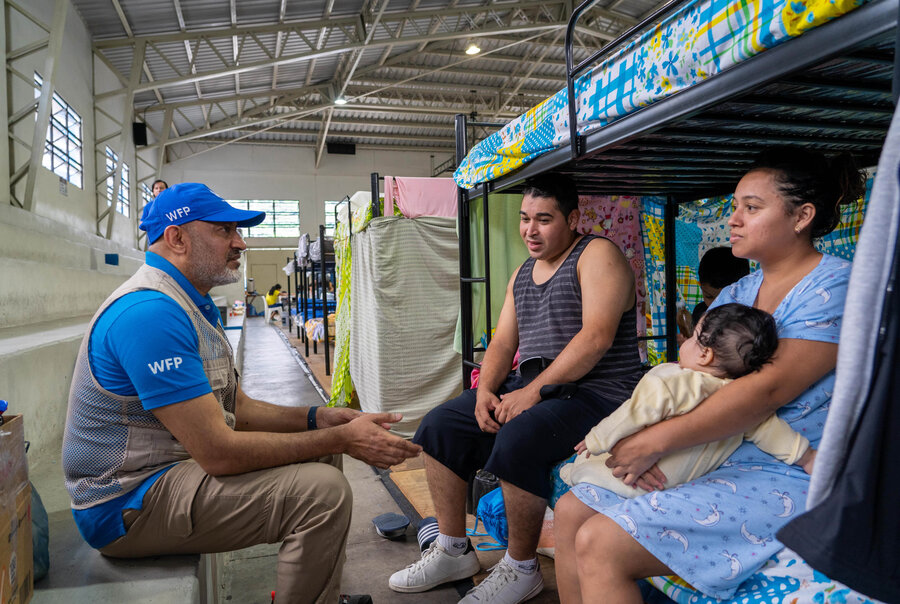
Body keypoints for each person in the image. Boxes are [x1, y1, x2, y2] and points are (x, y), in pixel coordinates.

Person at [62, 182, 421, 604]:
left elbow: (238, 408)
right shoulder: (150, 314)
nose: (240, 242)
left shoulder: (190, 302)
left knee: (322, 452)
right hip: (126, 502)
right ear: (176, 238)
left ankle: (316, 592)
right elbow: (219, 453)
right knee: (321, 494)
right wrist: (343, 436)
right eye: (223, 231)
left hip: (165, 475)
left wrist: (320, 419)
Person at [553, 147, 866, 604]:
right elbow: (693, 373)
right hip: (715, 448)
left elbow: (765, 393)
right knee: (568, 510)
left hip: (788, 465)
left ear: (802, 216)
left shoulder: (836, 286)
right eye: (735, 205)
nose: (733, 218)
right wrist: (646, 436)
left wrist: (651, 443)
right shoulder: (739, 291)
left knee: (601, 543)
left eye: (751, 207)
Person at [389, 173, 642, 604]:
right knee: (440, 425)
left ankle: (521, 568)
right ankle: (452, 548)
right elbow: (503, 341)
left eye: (543, 219)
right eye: (525, 219)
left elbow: (596, 337)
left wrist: (530, 394)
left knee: (519, 436)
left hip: (599, 390)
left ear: (574, 218)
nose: (530, 230)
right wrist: (487, 389)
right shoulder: (523, 272)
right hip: (536, 383)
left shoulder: (597, 254)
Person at [561, 303, 815, 498]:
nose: (686, 341)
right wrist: (807, 457)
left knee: (586, 464)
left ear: (705, 354)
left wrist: (596, 438)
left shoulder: (672, 382)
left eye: (693, 337)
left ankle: (573, 473)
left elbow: (633, 414)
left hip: (632, 477)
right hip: (675, 483)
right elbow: (772, 431)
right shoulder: (742, 402)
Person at [691, 246, 751, 327]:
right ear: (701, 286)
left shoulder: (752, 319)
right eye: (709, 296)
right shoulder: (700, 313)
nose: (716, 305)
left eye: (726, 298)